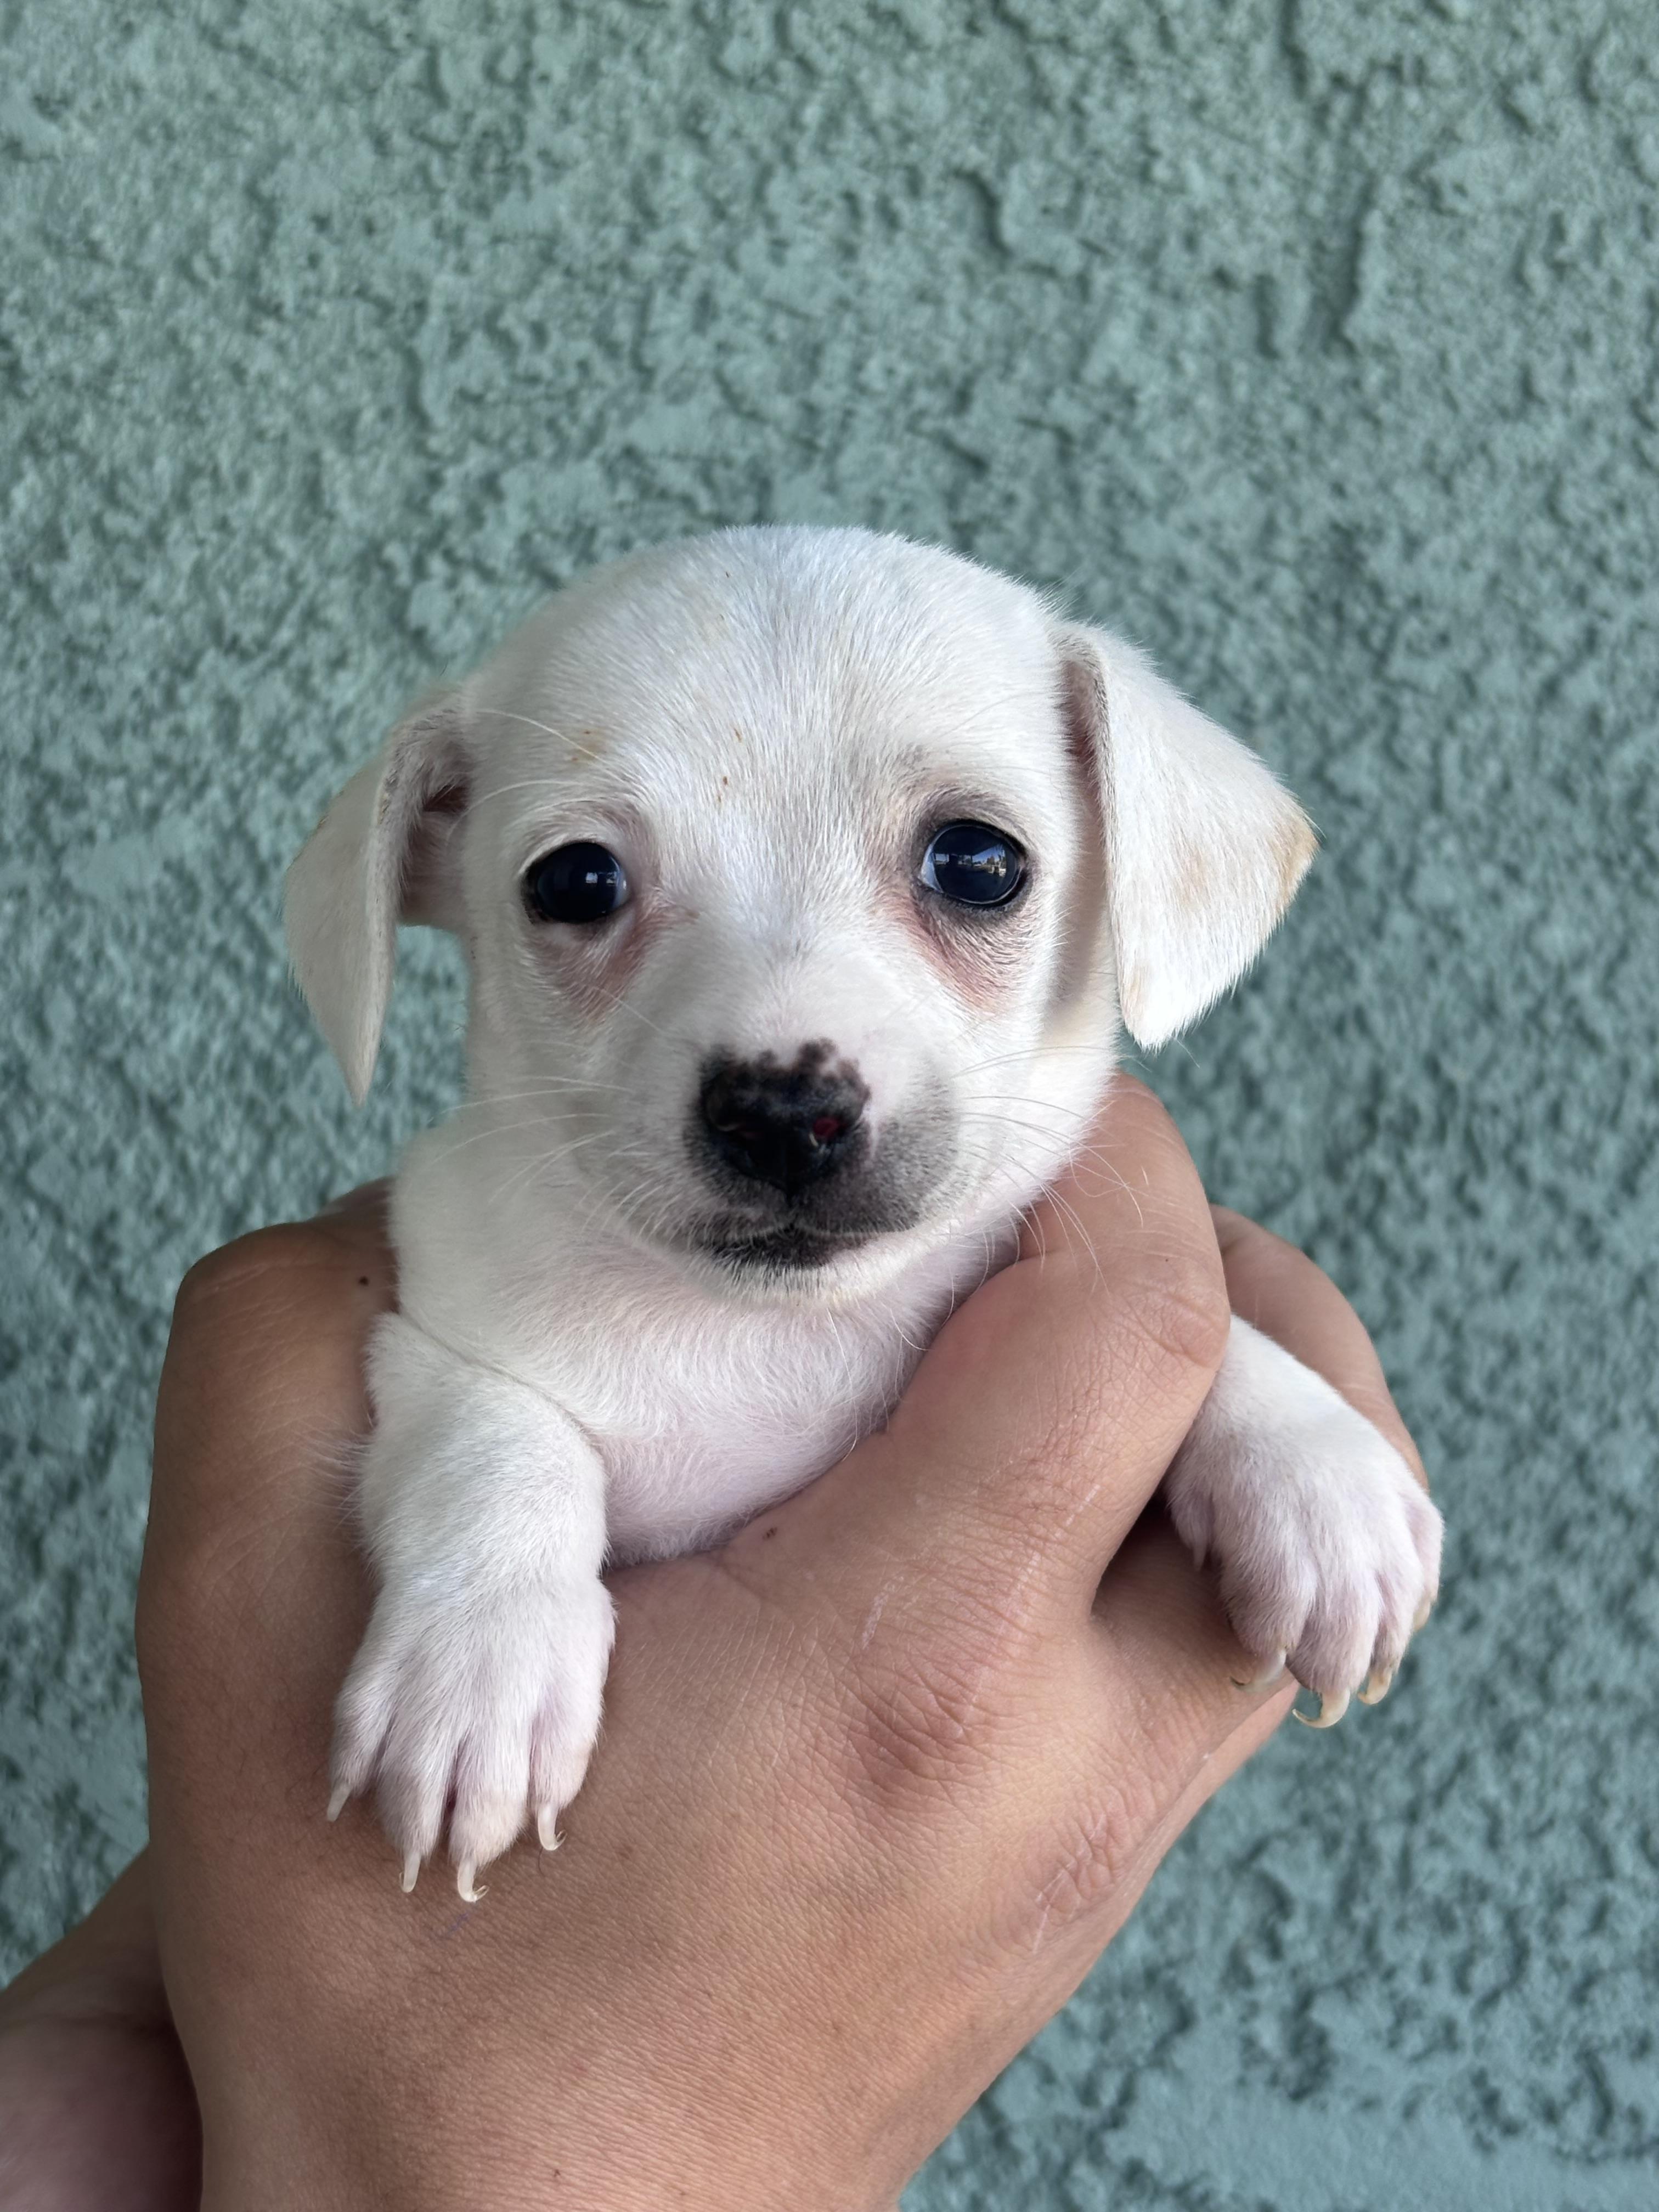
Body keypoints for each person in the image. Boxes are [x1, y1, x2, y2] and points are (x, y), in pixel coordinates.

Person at [0, 1082, 1429, 2211]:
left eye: (970, 870)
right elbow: (453, 1377)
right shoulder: (505, 1237)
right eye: (587, 884)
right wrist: (497, 1562)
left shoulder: (1027, 1232)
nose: (782, 1037)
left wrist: (1259, 1414)